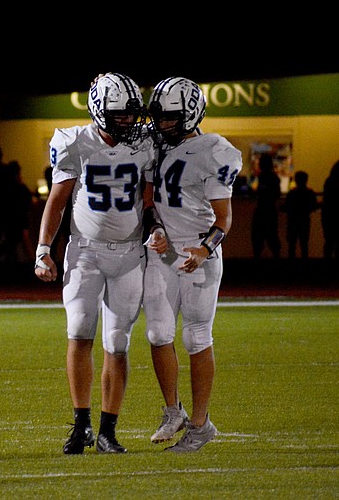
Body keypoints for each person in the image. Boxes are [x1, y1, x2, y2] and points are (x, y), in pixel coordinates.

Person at [34, 72, 155, 455]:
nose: (128, 121)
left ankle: (108, 430)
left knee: (117, 343)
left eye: (131, 114)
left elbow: (152, 196)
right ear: (100, 111)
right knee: (79, 333)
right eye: (120, 114)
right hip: (85, 251)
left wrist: (159, 228)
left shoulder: (145, 144)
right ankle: (82, 424)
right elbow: (58, 199)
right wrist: (43, 248)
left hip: (129, 252)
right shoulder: (74, 141)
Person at [142, 77, 242, 453]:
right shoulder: (156, 146)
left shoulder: (216, 150)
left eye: (171, 118)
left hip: (198, 252)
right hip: (163, 250)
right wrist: (154, 228)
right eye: (159, 118)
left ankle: (200, 424)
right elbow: (149, 198)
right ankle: (173, 411)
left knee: (196, 336)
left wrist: (205, 248)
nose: (162, 124)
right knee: (157, 334)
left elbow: (224, 218)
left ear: (191, 114)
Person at [281, 170, 320, 259]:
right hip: (304, 220)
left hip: (292, 221)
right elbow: (313, 206)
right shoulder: (309, 193)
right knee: (304, 244)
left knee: (292, 244)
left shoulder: (292, 193)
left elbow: (287, 206)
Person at [250, 152, 281, 259]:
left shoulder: (264, 177)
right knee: (271, 235)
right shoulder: (273, 177)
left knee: (259, 236)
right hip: (269, 210)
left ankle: (258, 257)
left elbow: (262, 193)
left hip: (263, 210)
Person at [2, 160, 35, 262]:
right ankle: (31, 262)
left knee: (12, 241)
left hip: (11, 217)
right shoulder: (19, 186)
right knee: (23, 240)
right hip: (20, 217)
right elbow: (28, 198)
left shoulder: (6, 187)